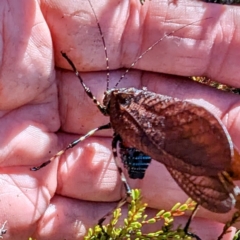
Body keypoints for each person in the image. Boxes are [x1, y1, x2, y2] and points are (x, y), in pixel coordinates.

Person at [0, 0, 239, 239]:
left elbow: (95, 99)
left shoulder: (129, 108)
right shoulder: (119, 110)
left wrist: (75, 70)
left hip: (139, 148)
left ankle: (224, 176)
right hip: (133, 147)